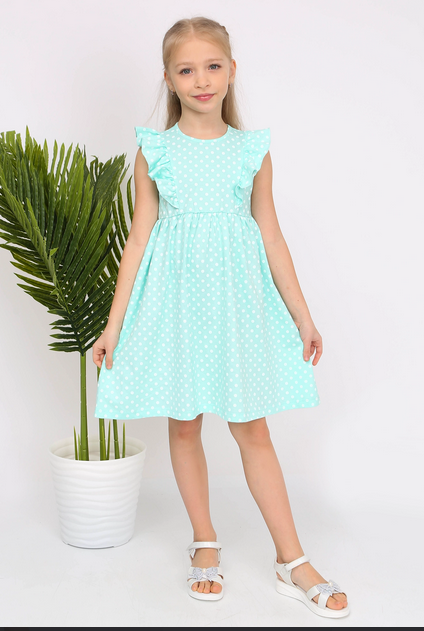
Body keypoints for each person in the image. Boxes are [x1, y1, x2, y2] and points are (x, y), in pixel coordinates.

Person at [93, 16, 349, 619]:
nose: (202, 80)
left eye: (212, 66)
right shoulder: (155, 151)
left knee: (251, 430)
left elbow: (271, 235)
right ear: (169, 79)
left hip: (236, 311)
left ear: (232, 71)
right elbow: (138, 239)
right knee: (184, 427)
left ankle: (291, 559)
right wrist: (113, 325)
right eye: (187, 70)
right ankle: (204, 542)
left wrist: (303, 317)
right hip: (177, 309)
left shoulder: (250, 150)